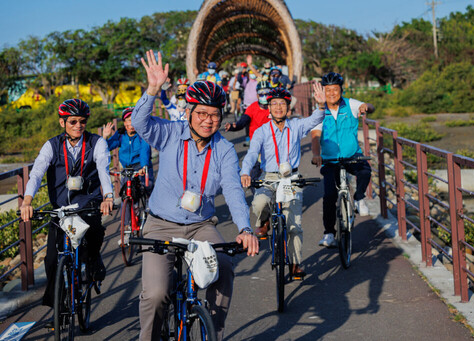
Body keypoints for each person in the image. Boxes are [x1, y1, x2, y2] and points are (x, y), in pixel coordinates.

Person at [133, 50, 259, 341]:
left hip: (201, 225)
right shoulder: (170, 133)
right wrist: (152, 90)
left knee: (225, 267)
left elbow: (233, 190)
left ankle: (211, 330)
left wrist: (245, 228)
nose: (208, 120)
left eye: (215, 115)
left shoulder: (224, 149)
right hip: (161, 224)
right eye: (201, 113)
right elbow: (140, 124)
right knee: (156, 294)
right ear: (188, 112)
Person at [19, 98, 114, 324]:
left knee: (94, 233)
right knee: (52, 261)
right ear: (63, 123)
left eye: (82, 121)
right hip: (61, 209)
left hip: (88, 204)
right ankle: (58, 308)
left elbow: (103, 168)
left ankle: (92, 260)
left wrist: (108, 196)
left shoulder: (97, 143)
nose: (78, 126)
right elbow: (37, 173)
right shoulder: (51, 146)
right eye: (72, 121)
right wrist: (27, 201)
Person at [240, 85, 326, 277]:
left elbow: (316, 119)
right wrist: (245, 172)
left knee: (294, 225)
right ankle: (264, 221)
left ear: (288, 107)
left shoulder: (296, 125)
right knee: (260, 202)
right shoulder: (261, 131)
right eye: (274, 103)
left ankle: (295, 263)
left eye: (282, 103)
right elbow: (252, 153)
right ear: (268, 107)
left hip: (291, 178)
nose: (278, 107)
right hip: (269, 176)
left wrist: (321, 105)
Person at [311, 72, 375, 248]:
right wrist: (316, 154)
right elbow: (315, 136)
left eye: (335, 90)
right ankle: (329, 233)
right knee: (329, 196)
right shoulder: (320, 111)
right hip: (330, 159)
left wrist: (365, 107)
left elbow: (368, 106)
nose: (332, 93)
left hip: (352, 154)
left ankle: (359, 198)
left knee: (365, 171)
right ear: (323, 91)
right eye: (328, 90)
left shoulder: (350, 104)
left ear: (341, 90)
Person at [102, 107, 154, 190]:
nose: (131, 123)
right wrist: (104, 136)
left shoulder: (142, 134)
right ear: (124, 122)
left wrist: (144, 166)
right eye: (129, 120)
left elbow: (145, 150)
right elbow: (107, 147)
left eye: (134, 120)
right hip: (127, 168)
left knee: (147, 188)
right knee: (125, 192)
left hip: (141, 166)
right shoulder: (120, 134)